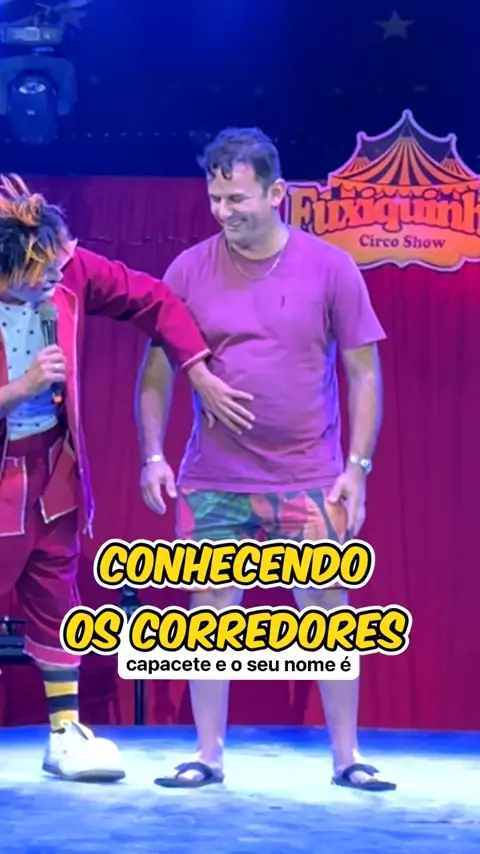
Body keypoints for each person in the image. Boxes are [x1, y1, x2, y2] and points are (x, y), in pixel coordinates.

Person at [136, 128, 396, 792]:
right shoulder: (188, 270)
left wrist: (358, 467)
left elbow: (364, 372)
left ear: (277, 192)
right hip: (214, 478)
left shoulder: (330, 267)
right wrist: (151, 455)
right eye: (215, 198)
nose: (223, 211)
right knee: (207, 615)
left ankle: (347, 756)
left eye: (237, 198)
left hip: (309, 476)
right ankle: (208, 754)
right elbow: (156, 373)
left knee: (328, 613)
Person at [0, 173, 253, 783]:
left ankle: (65, 732)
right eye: (40, 268)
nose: (56, 273)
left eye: (57, 260)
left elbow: (153, 300)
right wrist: (22, 388)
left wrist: (197, 370)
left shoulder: (70, 272)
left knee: (56, 595)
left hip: (53, 469)